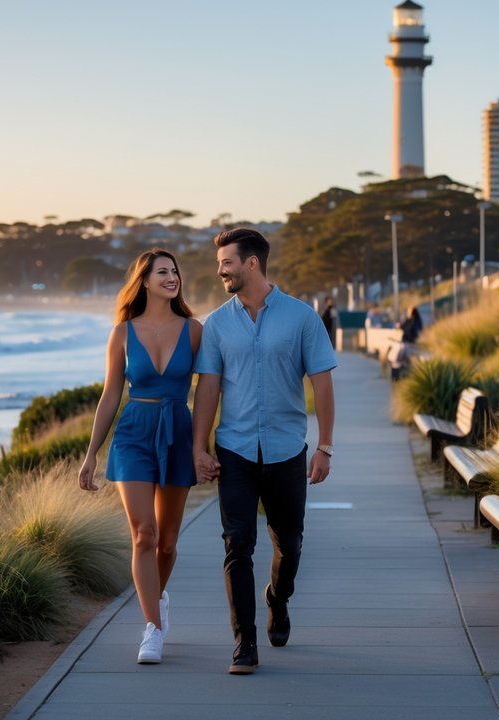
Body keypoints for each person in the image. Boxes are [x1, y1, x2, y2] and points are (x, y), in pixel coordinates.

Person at [192, 228, 337, 675]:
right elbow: (209, 388)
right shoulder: (217, 323)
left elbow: (323, 384)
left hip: (286, 449)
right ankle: (244, 643)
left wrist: (325, 447)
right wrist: (199, 447)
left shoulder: (301, 318)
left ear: (252, 263)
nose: (220, 270)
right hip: (234, 449)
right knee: (237, 543)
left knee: (289, 544)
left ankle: (278, 597)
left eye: (227, 263)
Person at [79, 249, 201, 665]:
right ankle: (153, 628)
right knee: (143, 534)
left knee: (167, 543)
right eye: (162, 272)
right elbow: (111, 394)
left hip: (177, 433)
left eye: (174, 271)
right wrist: (91, 453)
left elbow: (209, 391)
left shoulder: (195, 330)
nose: (171, 277)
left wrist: (204, 445)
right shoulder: (122, 332)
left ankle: (157, 599)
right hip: (133, 434)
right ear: (144, 281)